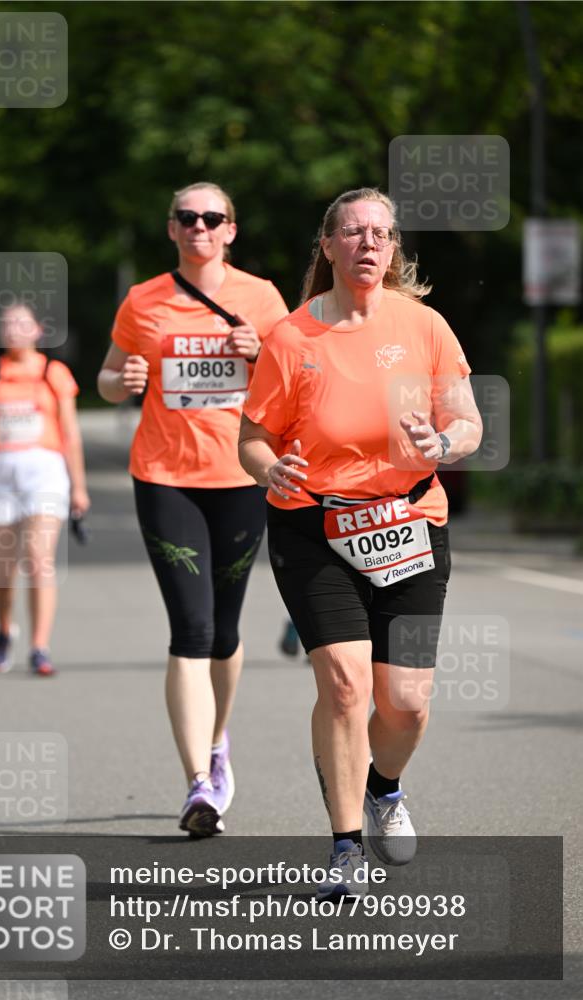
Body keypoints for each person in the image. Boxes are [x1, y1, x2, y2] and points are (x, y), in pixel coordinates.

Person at [239, 187, 482, 897]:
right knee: (344, 687)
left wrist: (443, 440)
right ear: (328, 245)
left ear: (394, 248)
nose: (368, 244)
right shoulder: (292, 338)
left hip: (410, 524)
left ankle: (384, 790)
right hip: (314, 525)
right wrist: (268, 466)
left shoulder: (424, 326)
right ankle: (344, 846)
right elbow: (252, 437)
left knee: (405, 701)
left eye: (381, 233)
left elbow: (464, 421)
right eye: (352, 232)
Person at [98, 181, 288, 837]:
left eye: (212, 218)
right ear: (172, 228)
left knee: (226, 633)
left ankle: (215, 741)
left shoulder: (261, 298)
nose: (200, 226)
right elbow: (107, 374)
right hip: (164, 476)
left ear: (230, 229)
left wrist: (259, 353)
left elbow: (293, 383)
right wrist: (118, 383)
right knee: (191, 629)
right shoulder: (143, 300)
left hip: (240, 475)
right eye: (187, 217)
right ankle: (198, 785)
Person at [0, 303, 90, 676]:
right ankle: (4, 631)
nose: (13, 330)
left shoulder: (55, 373)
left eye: (21, 323)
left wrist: (79, 487)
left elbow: (71, 433)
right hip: (0, 469)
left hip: (44, 470)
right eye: (6, 325)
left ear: (38, 329)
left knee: (39, 558)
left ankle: (39, 645)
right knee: (4, 567)